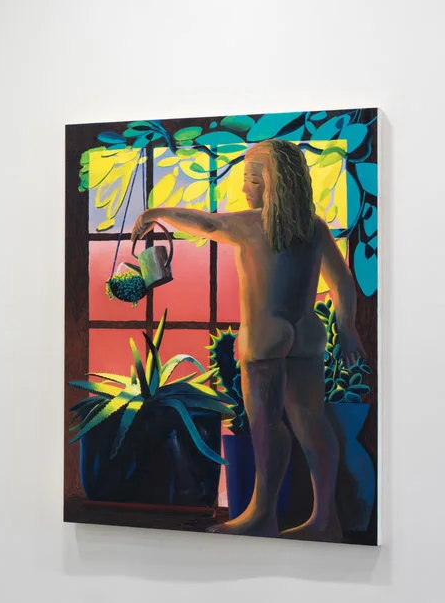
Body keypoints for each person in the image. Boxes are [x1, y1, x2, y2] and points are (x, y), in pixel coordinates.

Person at [132, 140, 364, 540]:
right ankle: (325, 519)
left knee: (266, 426)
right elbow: (342, 283)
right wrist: (346, 327)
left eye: (252, 180)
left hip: (265, 336)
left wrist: (158, 213)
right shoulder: (314, 228)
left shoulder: (251, 225)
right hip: (306, 336)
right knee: (313, 423)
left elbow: (206, 224)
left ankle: (261, 514)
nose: (244, 189)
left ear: (273, 183)